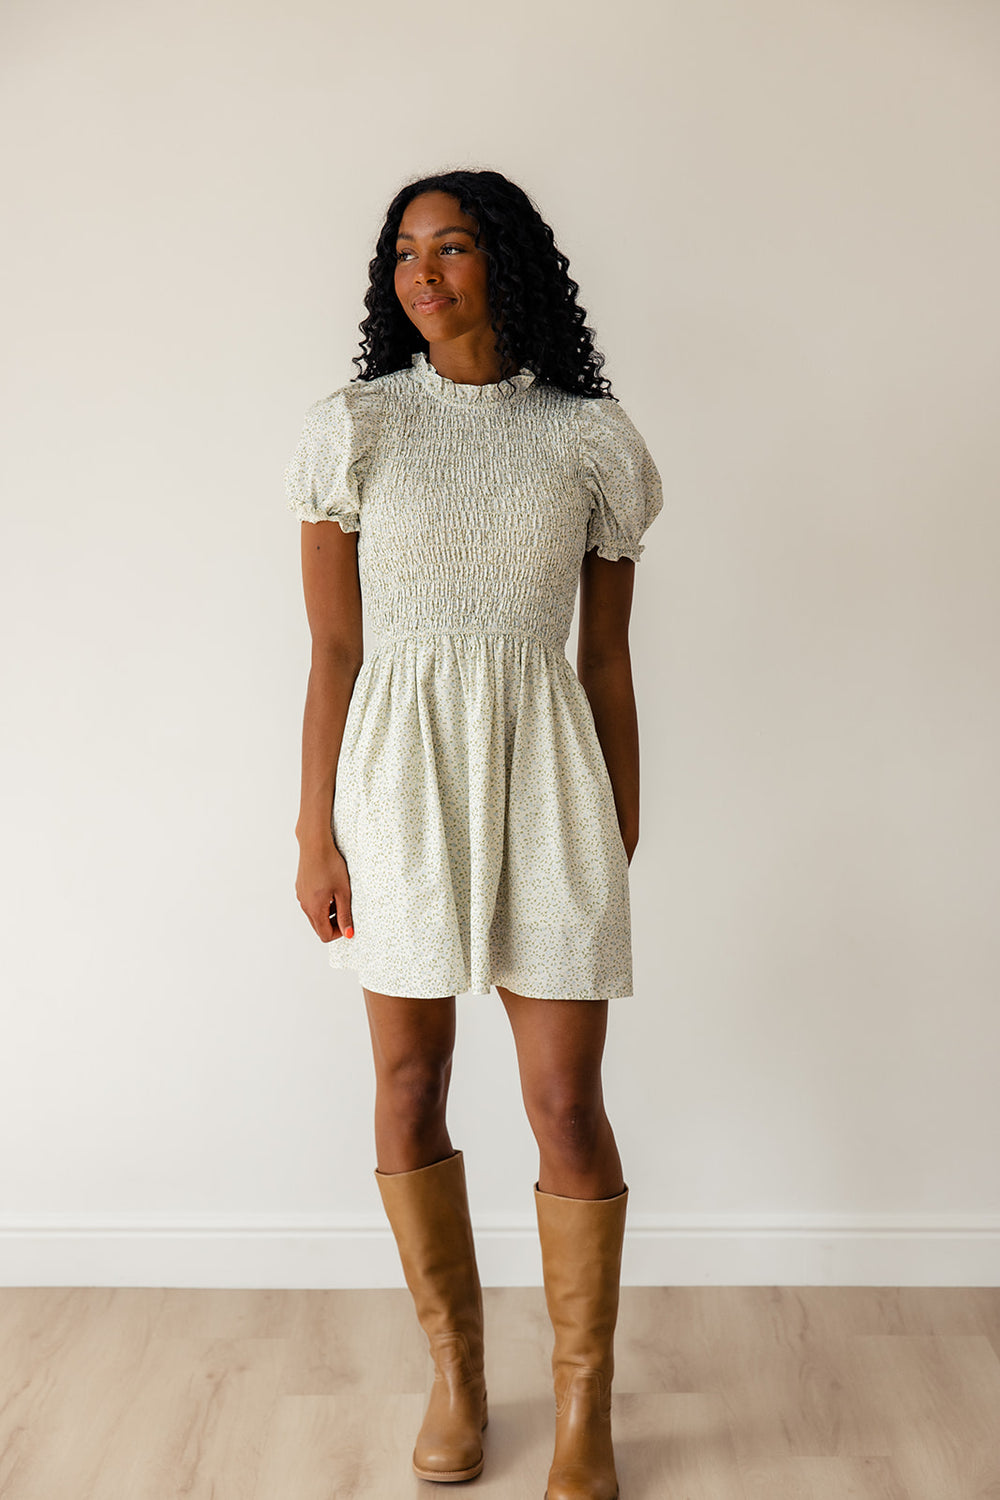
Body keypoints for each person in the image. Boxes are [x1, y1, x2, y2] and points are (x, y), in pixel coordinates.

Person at [285, 168, 663, 1500]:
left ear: (506, 261)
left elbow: (606, 660)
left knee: (565, 1102)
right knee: (407, 1085)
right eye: (404, 252)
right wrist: (315, 831)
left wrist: (617, 818)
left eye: (451, 246)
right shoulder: (357, 430)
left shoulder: (589, 439)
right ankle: (456, 1377)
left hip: (549, 781)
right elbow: (335, 653)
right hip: (396, 785)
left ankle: (583, 1410)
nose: (423, 274)